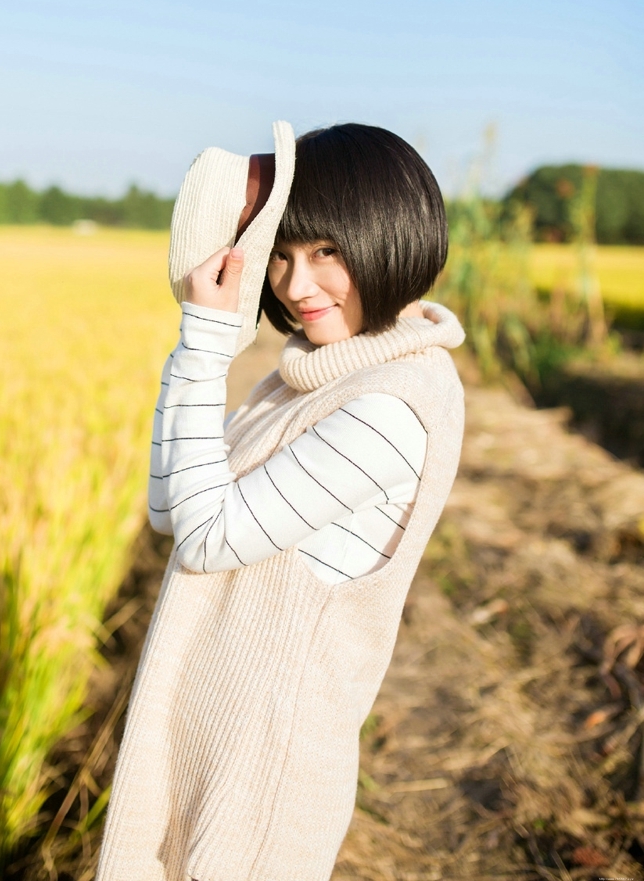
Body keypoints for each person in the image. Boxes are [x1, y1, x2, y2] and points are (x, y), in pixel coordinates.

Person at [95, 122, 465, 881]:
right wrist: (206, 342)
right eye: (283, 255)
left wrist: (207, 341)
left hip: (258, 770)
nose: (297, 287)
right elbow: (169, 506)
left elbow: (206, 537)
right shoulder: (309, 377)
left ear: (393, 233)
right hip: (206, 733)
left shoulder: (393, 406)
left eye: (327, 250)